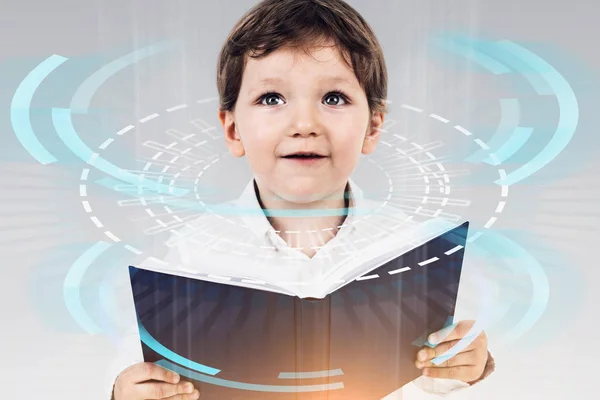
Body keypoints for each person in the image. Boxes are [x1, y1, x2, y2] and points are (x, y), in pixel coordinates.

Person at [108, 1, 495, 399]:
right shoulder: (188, 258)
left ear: (373, 127)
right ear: (233, 129)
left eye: (333, 98)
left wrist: (467, 362)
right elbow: (136, 367)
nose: (304, 125)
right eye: (272, 99)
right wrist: (128, 391)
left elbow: (444, 368)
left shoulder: (415, 250)